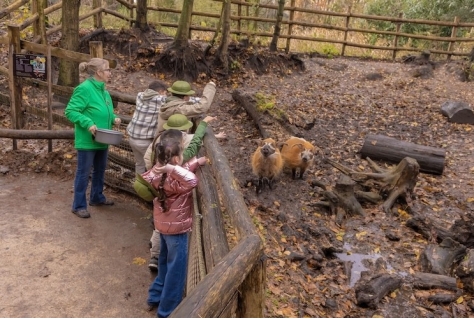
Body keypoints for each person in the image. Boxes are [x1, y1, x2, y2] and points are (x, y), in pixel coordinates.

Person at [134, 113, 225, 271]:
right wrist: (203, 124)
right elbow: (194, 144)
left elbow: (149, 159)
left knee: (160, 221)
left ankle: (155, 255)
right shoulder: (176, 150)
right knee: (166, 224)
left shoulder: (160, 141)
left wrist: (157, 172)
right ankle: (159, 258)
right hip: (169, 191)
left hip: (157, 183)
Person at [145, 129, 208, 318]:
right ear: (175, 160)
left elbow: (181, 173)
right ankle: (167, 311)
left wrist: (195, 162)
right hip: (177, 231)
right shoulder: (174, 178)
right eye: (181, 154)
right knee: (176, 271)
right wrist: (173, 169)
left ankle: (154, 297)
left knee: (164, 263)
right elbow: (191, 180)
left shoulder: (154, 174)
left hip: (163, 228)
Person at [65, 58, 121, 219]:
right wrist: (88, 123)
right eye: (108, 70)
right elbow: (70, 111)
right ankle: (78, 205)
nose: (110, 73)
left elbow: (104, 111)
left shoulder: (104, 91)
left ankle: (96, 197)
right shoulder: (84, 89)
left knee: (100, 170)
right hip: (87, 141)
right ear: (99, 72)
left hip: (103, 139)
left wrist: (113, 118)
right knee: (83, 173)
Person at [127, 80, 168, 174]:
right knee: (153, 167)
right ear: (161, 92)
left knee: (139, 164)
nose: (165, 96)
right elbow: (176, 101)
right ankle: (149, 187)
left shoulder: (140, 96)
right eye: (165, 93)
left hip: (132, 139)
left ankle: (138, 186)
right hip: (144, 141)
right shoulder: (159, 100)